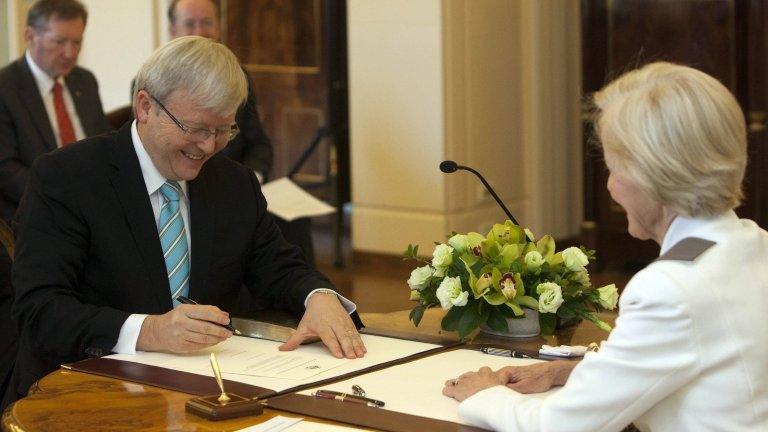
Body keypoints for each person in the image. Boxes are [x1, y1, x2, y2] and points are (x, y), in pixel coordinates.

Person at [2, 36, 365, 410]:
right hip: (79, 392)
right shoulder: (66, 178)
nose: (208, 146)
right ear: (145, 106)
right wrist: (150, 330)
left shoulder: (233, 182)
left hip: (204, 394)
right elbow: (40, 311)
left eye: (224, 130)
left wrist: (318, 298)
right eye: (196, 128)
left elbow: (278, 267)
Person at [443, 62, 768, 431]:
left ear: (653, 175)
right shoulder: (754, 244)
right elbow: (699, 358)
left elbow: (559, 428)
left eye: (615, 169)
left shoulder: (671, 288)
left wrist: (484, 393)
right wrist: (569, 372)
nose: (611, 187)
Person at [165, 0, 316, 268]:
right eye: (190, 23)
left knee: (295, 221)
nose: (200, 31)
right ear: (173, 30)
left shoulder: (237, 78)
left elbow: (259, 144)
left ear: (219, 28)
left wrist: (250, 180)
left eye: (207, 22)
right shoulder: (158, 84)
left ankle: (301, 300)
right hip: (186, 195)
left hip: (237, 186)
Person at [0, 0, 110, 224]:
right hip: (38, 213)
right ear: (30, 36)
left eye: (76, 42)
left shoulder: (84, 81)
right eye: (59, 42)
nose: (69, 53)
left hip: (95, 208)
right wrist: (67, 198)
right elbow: (6, 169)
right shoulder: (6, 87)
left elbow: (104, 145)